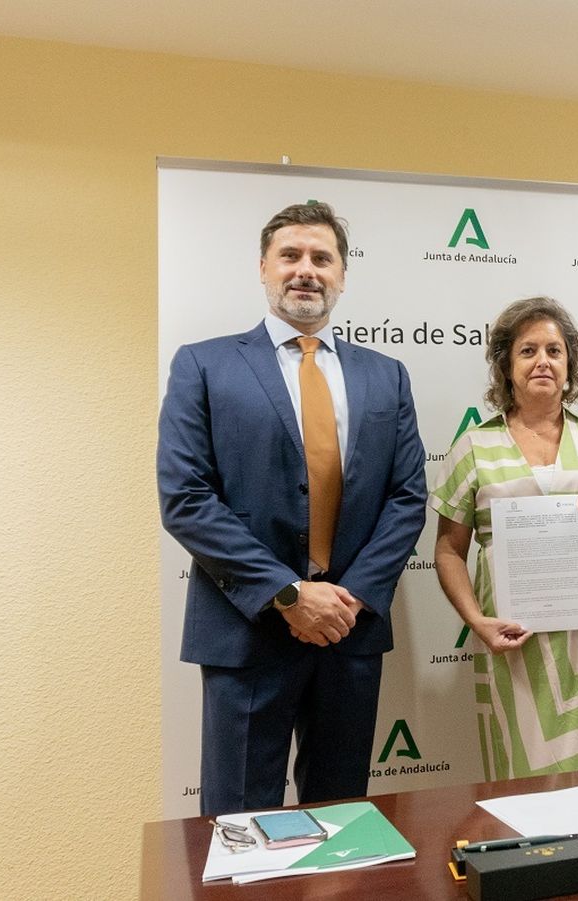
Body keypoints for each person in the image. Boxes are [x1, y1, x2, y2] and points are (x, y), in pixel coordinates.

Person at [158, 201, 427, 816]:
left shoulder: (386, 376)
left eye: (321, 258)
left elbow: (407, 496)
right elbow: (186, 497)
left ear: (342, 275)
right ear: (263, 267)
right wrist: (287, 594)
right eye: (290, 255)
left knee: (343, 822)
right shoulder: (204, 365)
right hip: (248, 631)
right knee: (239, 826)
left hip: (349, 631)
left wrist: (349, 598)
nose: (306, 270)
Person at [430, 296, 578, 780]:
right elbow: (447, 551)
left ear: (571, 364)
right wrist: (476, 621)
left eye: (554, 350)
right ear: (506, 367)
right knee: (522, 772)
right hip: (513, 637)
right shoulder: (473, 446)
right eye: (528, 351)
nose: (542, 361)